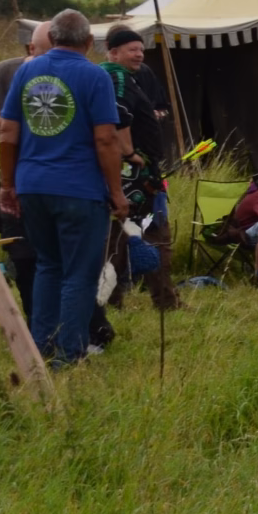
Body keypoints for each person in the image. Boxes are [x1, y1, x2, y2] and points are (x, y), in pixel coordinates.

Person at [0, 9, 126, 365]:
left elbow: (7, 133)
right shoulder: (95, 76)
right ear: (89, 42)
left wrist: (8, 185)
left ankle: (40, 348)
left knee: (48, 266)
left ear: (51, 39)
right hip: (79, 190)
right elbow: (105, 140)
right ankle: (70, 355)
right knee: (79, 274)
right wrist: (116, 193)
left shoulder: (26, 71)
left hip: (32, 186)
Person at [0, 21, 54, 317]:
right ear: (30, 48)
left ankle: (84, 328)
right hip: (16, 181)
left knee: (61, 259)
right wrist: (32, 128)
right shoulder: (7, 71)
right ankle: (37, 326)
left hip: (61, 183)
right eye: (44, 52)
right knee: (23, 258)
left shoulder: (76, 73)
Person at [101, 26, 177, 310]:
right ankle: (164, 301)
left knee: (117, 239)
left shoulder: (123, 75)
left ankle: (110, 301)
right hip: (135, 177)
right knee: (154, 235)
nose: (139, 54)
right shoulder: (118, 76)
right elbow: (118, 115)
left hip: (131, 175)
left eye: (141, 50)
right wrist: (130, 154)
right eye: (132, 50)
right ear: (114, 52)